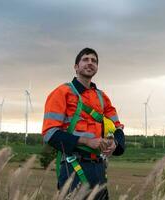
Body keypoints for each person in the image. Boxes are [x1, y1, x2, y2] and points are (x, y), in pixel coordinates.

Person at [42, 47, 125, 199]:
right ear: (76, 67)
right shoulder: (61, 93)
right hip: (73, 168)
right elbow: (50, 134)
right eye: (85, 59)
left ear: (97, 67)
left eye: (94, 60)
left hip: (99, 169)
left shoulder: (102, 97)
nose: (90, 63)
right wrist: (87, 141)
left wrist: (115, 144)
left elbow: (118, 128)